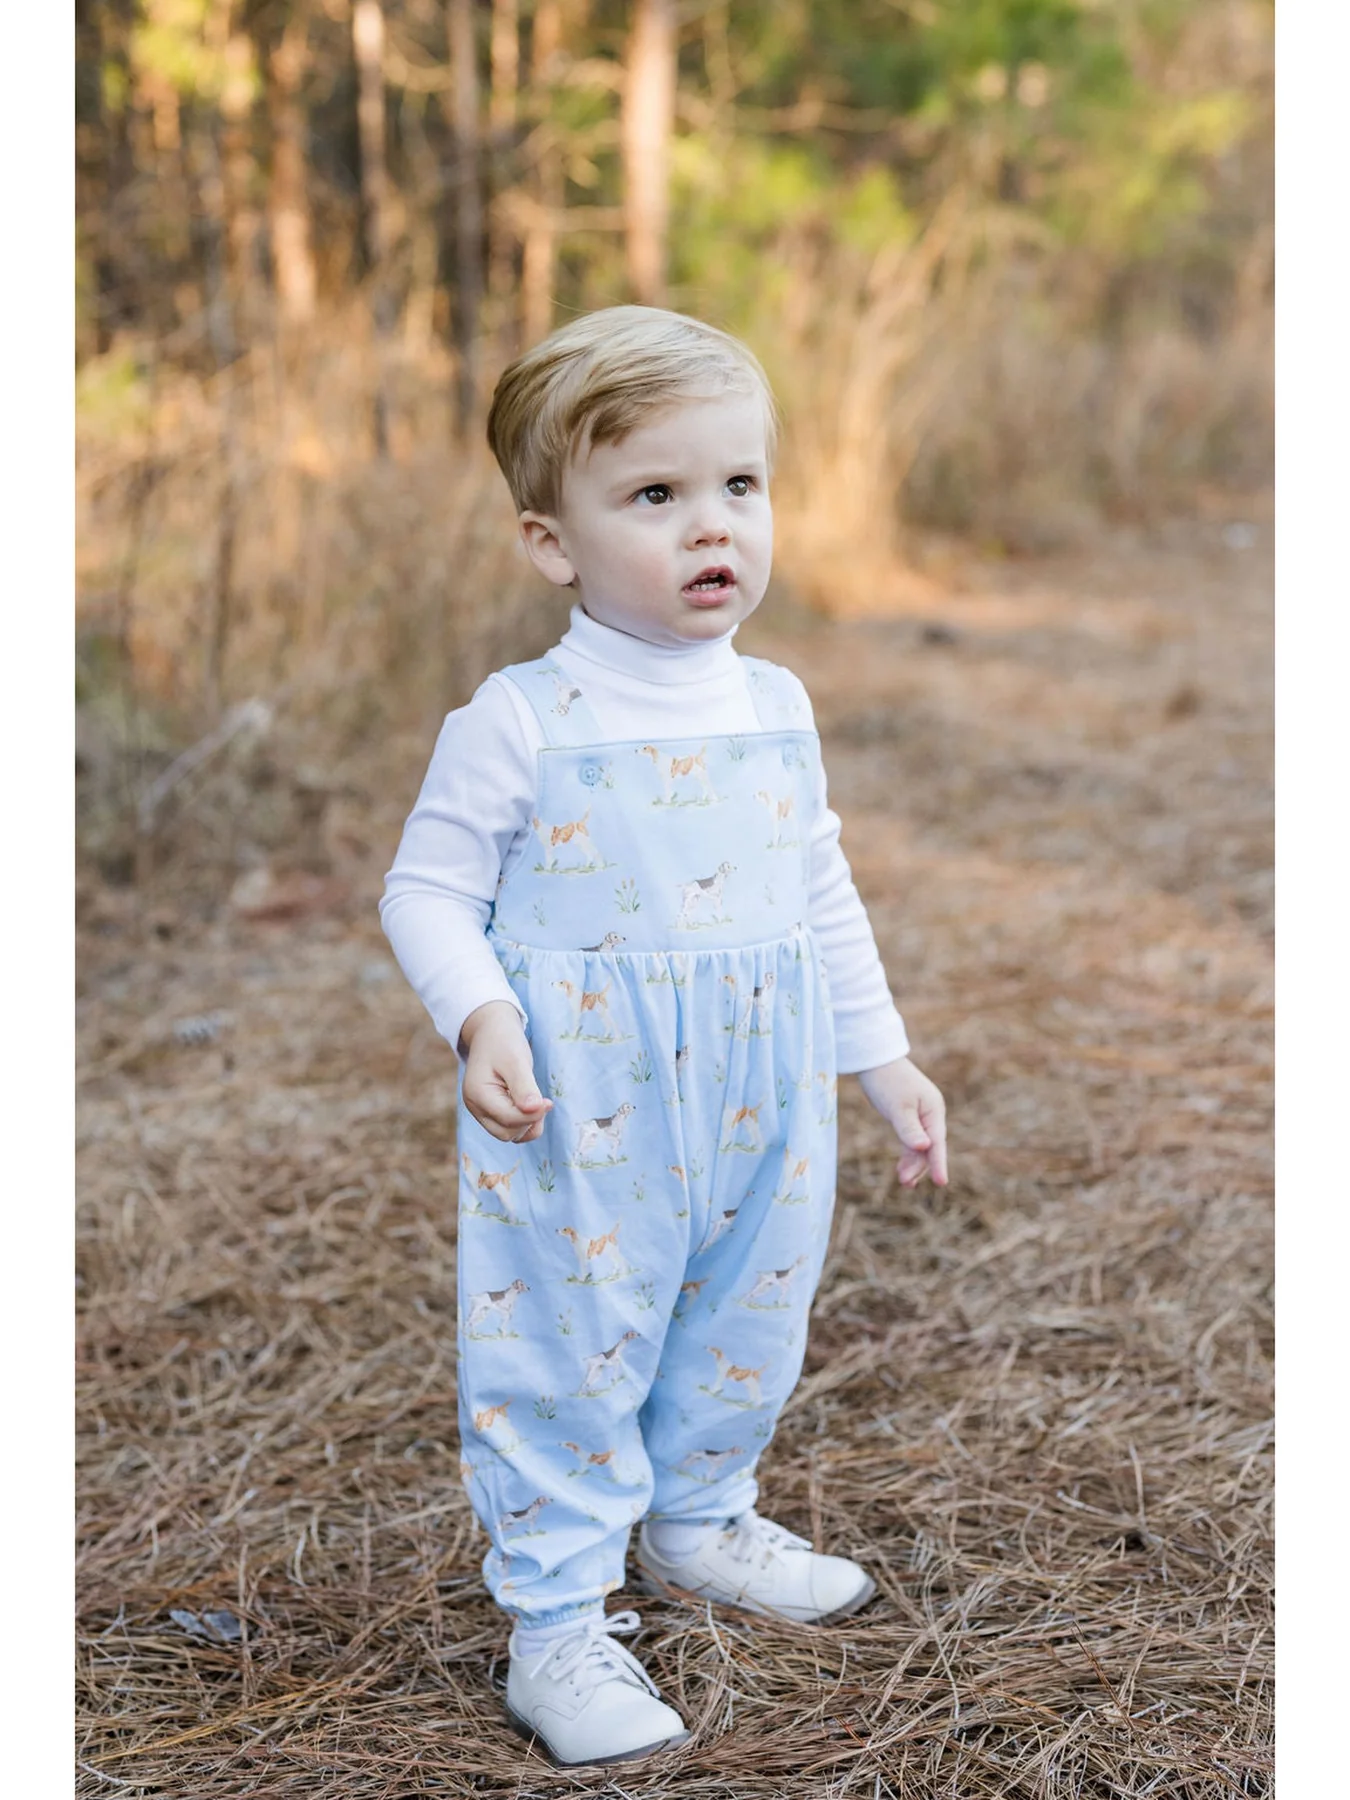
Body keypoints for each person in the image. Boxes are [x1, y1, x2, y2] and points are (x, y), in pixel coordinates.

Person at [380, 305, 948, 1768]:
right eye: (654, 493)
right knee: (567, 1344)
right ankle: (558, 1621)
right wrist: (480, 1014)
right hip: (586, 1105)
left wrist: (879, 1055)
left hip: (766, 1094)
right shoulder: (523, 719)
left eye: (739, 485)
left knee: (747, 1314)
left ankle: (699, 1514)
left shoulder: (775, 702)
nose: (713, 525)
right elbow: (426, 889)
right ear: (550, 543)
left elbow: (815, 881)